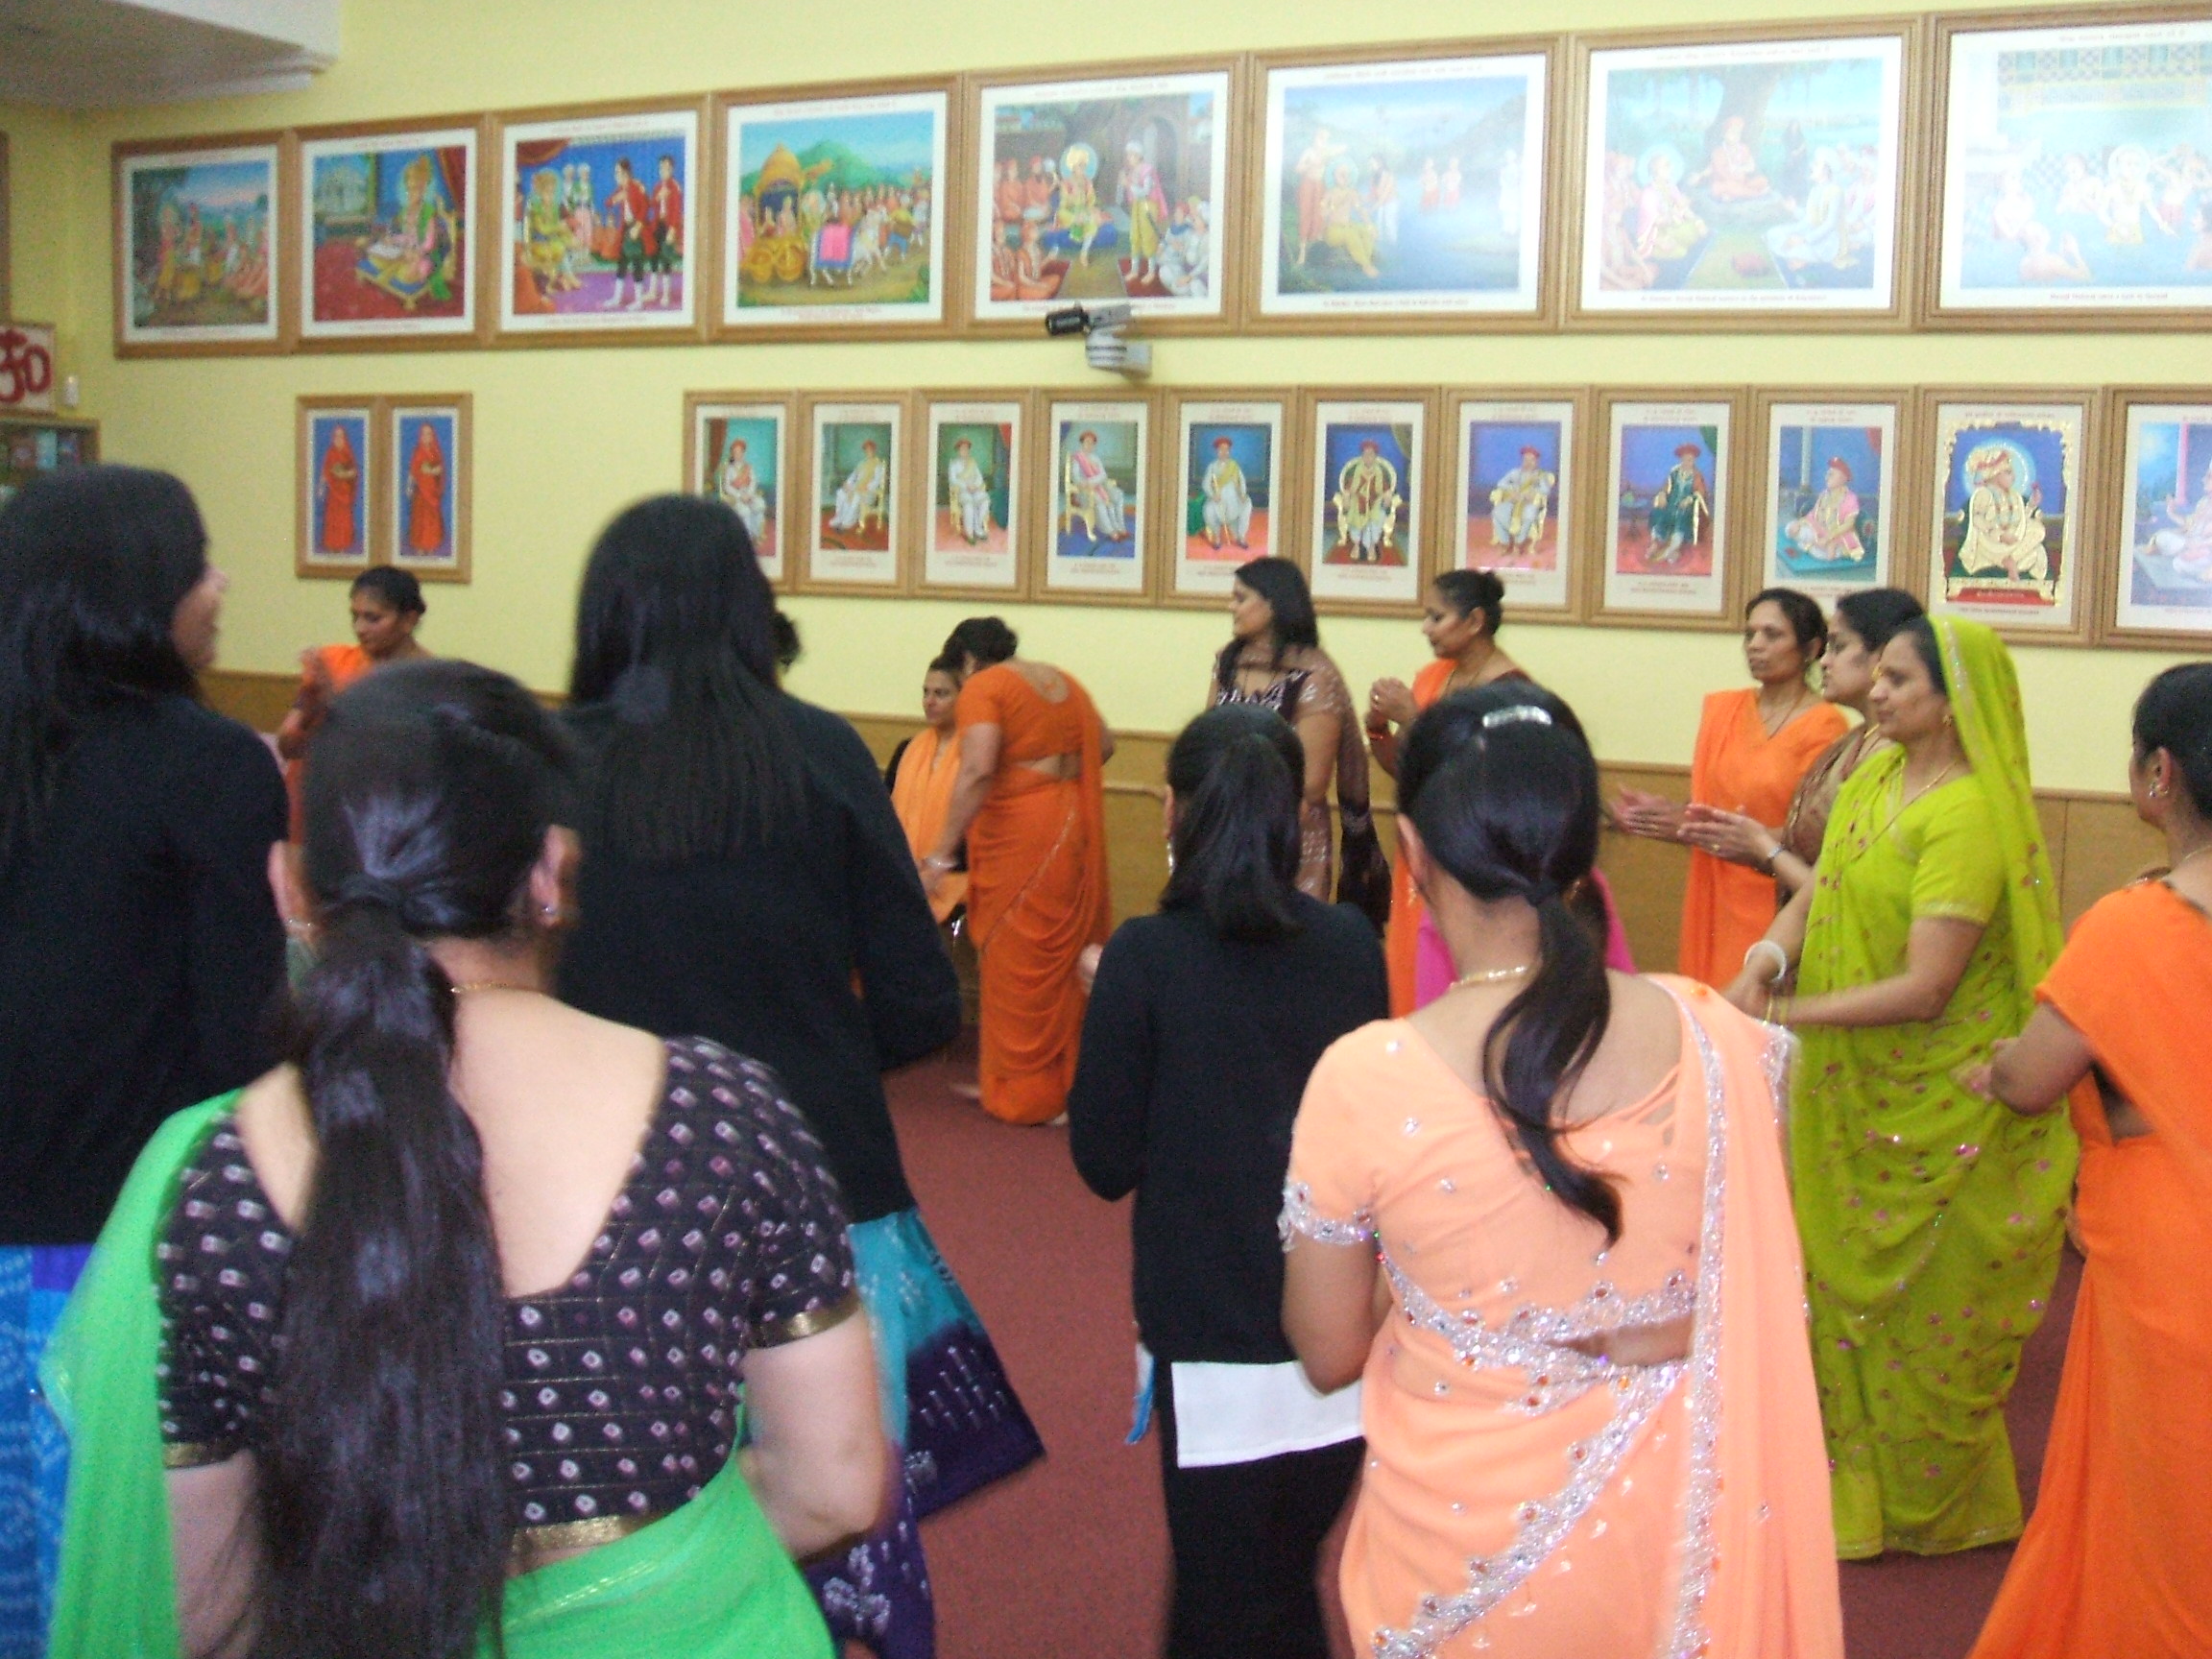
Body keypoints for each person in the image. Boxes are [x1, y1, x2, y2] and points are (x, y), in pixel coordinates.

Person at [43, 659, 885, 1659]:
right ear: (550, 873)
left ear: (291, 889)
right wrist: (636, 1580)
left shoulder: (219, 1180)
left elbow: (206, 1614)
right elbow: (833, 1489)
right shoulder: (724, 1118)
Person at [556, 502, 1041, 1659]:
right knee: (825, 1506)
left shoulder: (548, 764)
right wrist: (806, 1059)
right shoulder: (821, 750)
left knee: (623, 1514)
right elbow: (920, 1002)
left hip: (593, 1202)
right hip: (814, 1188)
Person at [1279, 687, 1843, 1659]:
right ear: (1586, 854)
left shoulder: (1364, 1077)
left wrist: (1419, 1271)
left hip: (1461, 1551)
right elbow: (1762, 1285)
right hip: (1681, 1535)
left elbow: (1328, 1351)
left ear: (1414, 852)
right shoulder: (1721, 1040)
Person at [0, 468, 286, 1655]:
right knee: (113, 1592)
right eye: (199, 563)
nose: (220, 584)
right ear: (135, 592)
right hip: (112, 1261)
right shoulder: (205, 764)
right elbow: (239, 1046)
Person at [1726, 617, 2075, 1560]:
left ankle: (1928, 1506)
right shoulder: (1876, 773)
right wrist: (1764, 961)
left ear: (1952, 705)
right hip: (1848, 1086)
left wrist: (1785, 1016)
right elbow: (1822, 891)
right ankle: (1845, 1492)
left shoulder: (1967, 815)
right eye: (1875, 675)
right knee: (1829, 1291)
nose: (1875, 692)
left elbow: (1928, 988)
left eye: (1898, 680)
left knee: (1927, 1313)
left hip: (1943, 1102)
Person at [1069, 705, 1382, 1658]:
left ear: (1174, 811)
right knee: (1283, 1581)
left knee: (1221, 1597)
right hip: (1336, 1319)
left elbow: (1104, 1162)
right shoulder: (1350, 945)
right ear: (1292, 815)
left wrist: (1110, 1019)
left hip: (1209, 1331)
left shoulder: (1145, 956)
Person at [1965, 664, 2212, 1659]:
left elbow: (2032, 1079)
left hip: (2175, 1253)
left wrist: (1994, 1068)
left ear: (2160, 772)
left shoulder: (2132, 923)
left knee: (2166, 1506)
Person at [925, 616, 1112, 1127]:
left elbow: (978, 768)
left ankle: (1027, 1090)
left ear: (967, 661)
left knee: (1017, 957)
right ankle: (1054, 1083)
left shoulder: (985, 687)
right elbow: (1105, 744)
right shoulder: (1063, 681)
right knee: (1062, 958)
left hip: (1022, 834)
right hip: (1071, 823)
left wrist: (940, 855)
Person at [1616, 589, 1847, 986]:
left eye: (1772, 634)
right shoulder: (1725, 709)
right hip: (1715, 894)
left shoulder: (1827, 726)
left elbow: (1818, 835)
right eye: (1750, 634)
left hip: (1778, 897)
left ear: (1811, 649)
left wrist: (1750, 841)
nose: (1755, 645)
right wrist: (1670, 816)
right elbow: (1717, 806)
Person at [1682, 588, 1924, 903]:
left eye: (1838, 647)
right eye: (1750, 634)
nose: (1824, 662)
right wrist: (1741, 838)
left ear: (1884, 656)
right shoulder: (1853, 744)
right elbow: (1813, 850)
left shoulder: (1897, 756)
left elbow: (1844, 888)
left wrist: (1763, 847)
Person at [1364, 572, 1528, 1008]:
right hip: (1421, 850)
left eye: (1437, 617)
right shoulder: (1435, 677)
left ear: (1474, 622)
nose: (1426, 628)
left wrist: (1413, 718)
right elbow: (1410, 768)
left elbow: (1483, 776)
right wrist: (1378, 730)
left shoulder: (1511, 692)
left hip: (1471, 857)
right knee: (1409, 972)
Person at [1211, 558, 1387, 927]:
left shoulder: (1313, 675)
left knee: (1287, 943)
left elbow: (1311, 783)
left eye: (1241, 598)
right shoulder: (1227, 663)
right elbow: (1207, 740)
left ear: (1273, 604)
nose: (1231, 607)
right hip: (1222, 829)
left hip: (1290, 836)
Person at [276, 566, 431, 840]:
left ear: (409, 620)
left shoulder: (428, 679)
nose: (359, 629)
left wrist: (333, 703)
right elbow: (288, 747)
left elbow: (393, 761)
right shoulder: (333, 661)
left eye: (373, 618)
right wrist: (310, 707)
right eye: (354, 616)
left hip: (376, 824)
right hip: (310, 810)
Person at [886, 653, 969, 927]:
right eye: (926, 692)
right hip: (903, 879)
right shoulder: (907, 750)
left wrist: (936, 868)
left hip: (957, 886)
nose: (929, 702)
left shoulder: (974, 756)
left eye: (941, 694)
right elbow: (883, 817)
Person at [1955, 445, 2049, 585]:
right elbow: (1977, 519)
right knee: (2037, 535)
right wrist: (2000, 535)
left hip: (2013, 542)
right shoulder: (1984, 493)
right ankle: (2011, 561)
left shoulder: (2014, 495)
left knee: (2037, 548)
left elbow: (2021, 522)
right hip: (1992, 545)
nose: (2014, 477)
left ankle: (2011, 560)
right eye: (2008, 472)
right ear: (1995, 474)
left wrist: (2031, 505)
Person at [1781, 457, 1865, 565]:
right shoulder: (1824, 494)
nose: (1826, 478)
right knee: (1790, 528)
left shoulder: (1850, 498)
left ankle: (1824, 546)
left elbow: (1848, 525)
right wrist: (1799, 523)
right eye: (1827, 474)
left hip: (1839, 535)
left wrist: (1828, 538)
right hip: (1819, 530)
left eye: (1831, 475)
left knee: (1823, 555)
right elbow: (1813, 514)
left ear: (1842, 478)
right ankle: (1815, 544)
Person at [1487, 445, 1553, 559]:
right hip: (1514, 500)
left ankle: (1518, 542)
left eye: (1531, 460)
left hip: (1529, 503)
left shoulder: (1540, 476)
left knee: (1529, 515)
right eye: (1526, 460)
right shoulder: (1515, 472)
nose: (1528, 463)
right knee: (1497, 512)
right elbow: (1501, 483)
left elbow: (1545, 490)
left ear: (1536, 461)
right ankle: (1505, 542)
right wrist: (1512, 490)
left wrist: (1533, 492)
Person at [1066, 429, 1128, 541]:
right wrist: (1088, 483)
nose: (1089, 445)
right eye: (1087, 442)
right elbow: (1076, 478)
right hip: (1084, 491)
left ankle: (1121, 528)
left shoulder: (1095, 458)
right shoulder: (1077, 458)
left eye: (1092, 443)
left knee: (1118, 494)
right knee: (1099, 499)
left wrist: (1092, 482)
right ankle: (1111, 531)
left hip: (1098, 486)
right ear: (1082, 443)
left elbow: (1103, 475)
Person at [1199, 435, 1252, 550]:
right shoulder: (1212, 467)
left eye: (1226, 450)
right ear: (1217, 451)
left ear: (1229, 451)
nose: (1224, 452)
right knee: (1208, 510)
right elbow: (1205, 484)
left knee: (1247, 504)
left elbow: (1241, 482)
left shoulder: (1234, 466)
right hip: (1218, 498)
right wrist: (1213, 495)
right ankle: (1217, 538)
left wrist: (1242, 494)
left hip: (1234, 497)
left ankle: (1241, 537)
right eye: (1221, 450)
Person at [315, 424, 360, 554]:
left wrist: (345, 474)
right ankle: (332, 544)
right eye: (335, 436)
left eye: (340, 436)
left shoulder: (348, 453)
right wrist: (321, 487)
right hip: (333, 493)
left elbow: (354, 472)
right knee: (332, 519)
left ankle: (342, 544)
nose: (338, 439)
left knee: (343, 520)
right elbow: (325, 471)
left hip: (345, 493)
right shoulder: (330, 453)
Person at [403, 421, 447, 556]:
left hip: (432, 492)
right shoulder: (417, 452)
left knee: (431, 520)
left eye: (428, 434)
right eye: (423, 434)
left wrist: (433, 471)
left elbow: (440, 469)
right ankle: (420, 546)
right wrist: (409, 486)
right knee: (420, 519)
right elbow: (413, 471)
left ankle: (431, 544)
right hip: (421, 492)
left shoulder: (436, 452)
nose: (426, 437)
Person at [716, 434, 768, 543]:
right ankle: (746, 538)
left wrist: (749, 494)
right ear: (732, 453)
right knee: (745, 511)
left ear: (743, 453)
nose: (738, 454)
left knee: (760, 504)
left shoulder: (748, 467)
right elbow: (727, 486)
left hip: (748, 495)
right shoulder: (728, 468)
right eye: (735, 452)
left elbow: (753, 482)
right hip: (735, 496)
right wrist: (740, 496)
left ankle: (756, 534)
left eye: (740, 452)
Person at [829, 439, 885, 535]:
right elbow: (854, 476)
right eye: (866, 450)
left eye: (870, 450)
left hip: (869, 492)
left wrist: (867, 487)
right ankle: (839, 517)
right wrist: (847, 484)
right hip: (857, 488)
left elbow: (877, 481)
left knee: (856, 496)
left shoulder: (878, 464)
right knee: (841, 493)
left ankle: (846, 524)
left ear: (874, 450)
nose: (868, 452)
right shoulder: (862, 463)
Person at [946, 438, 994, 545]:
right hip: (962, 491)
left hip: (974, 489)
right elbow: (953, 480)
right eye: (962, 449)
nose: (964, 451)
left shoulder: (972, 462)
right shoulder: (954, 464)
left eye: (966, 449)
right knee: (969, 504)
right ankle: (970, 534)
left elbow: (979, 477)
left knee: (985, 500)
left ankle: (977, 528)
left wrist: (975, 485)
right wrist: (966, 486)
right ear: (958, 450)